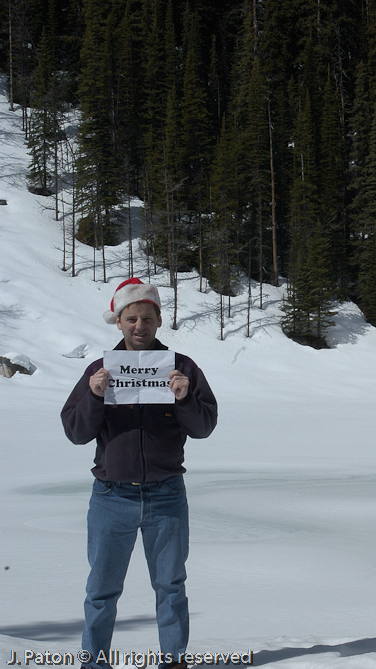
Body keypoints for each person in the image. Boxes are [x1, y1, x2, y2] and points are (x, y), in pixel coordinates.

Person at [61, 278, 218, 669]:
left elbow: (204, 427)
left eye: (147, 318)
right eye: (131, 319)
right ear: (118, 322)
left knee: (170, 586)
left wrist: (183, 398)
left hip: (166, 495)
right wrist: (96, 396)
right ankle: (94, 663)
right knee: (101, 589)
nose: (139, 326)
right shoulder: (99, 369)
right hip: (112, 496)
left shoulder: (182, 367)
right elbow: (76, 432)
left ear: (159, 320)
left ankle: (173, 661)